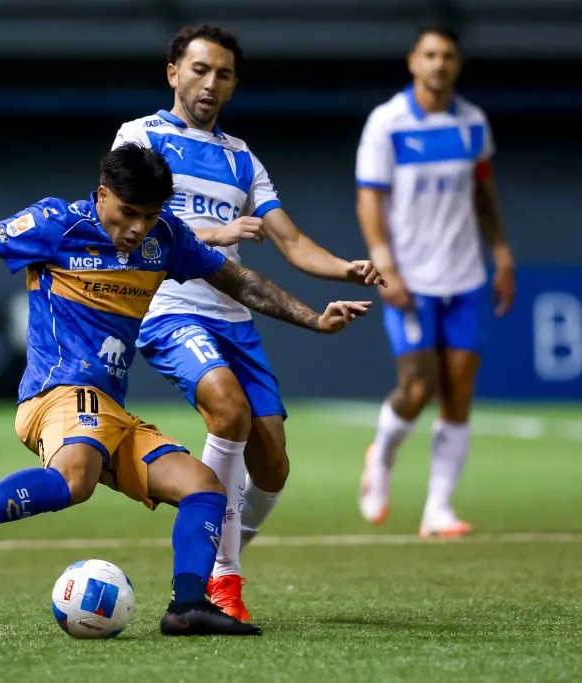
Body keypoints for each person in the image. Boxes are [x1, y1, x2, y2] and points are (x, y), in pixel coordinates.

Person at [0, 143, 373, 636]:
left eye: (149, 216)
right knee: (74, 481)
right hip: (56, 394)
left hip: (107, 411)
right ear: (102, 195)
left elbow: (238, 279)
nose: (137, 228)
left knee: (203, 489)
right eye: (128, 212)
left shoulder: (165, 237)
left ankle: (187, 605)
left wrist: (313, 317)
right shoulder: (55, 224)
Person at [111, 23, 386, 621]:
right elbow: (127, 223)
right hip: (170, 305)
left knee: (273, 465)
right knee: (227, 409)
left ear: (234, 85)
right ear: (173, 72)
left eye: (224, 74)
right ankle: (222, 580)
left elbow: (289, 240)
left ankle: (215, 551)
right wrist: (215, 233)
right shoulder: (141, 136)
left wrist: (345, 269)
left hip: (232, 315)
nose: (210, 83)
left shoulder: (241, 158)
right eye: (200, 69)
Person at [354, 24, 516, 537]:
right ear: (413, 62)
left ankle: (437, 509)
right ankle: (382, 454)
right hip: (411, 278)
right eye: (430, 54)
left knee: (460, 389)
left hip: (465, 275)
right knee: (418, 386)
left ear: (457, 64)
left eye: (447, 55)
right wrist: (385, 266)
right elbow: (369, 199)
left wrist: (502, 252)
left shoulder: (473, 123)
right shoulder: (388, 123)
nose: (439, 63)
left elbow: (483, 193)